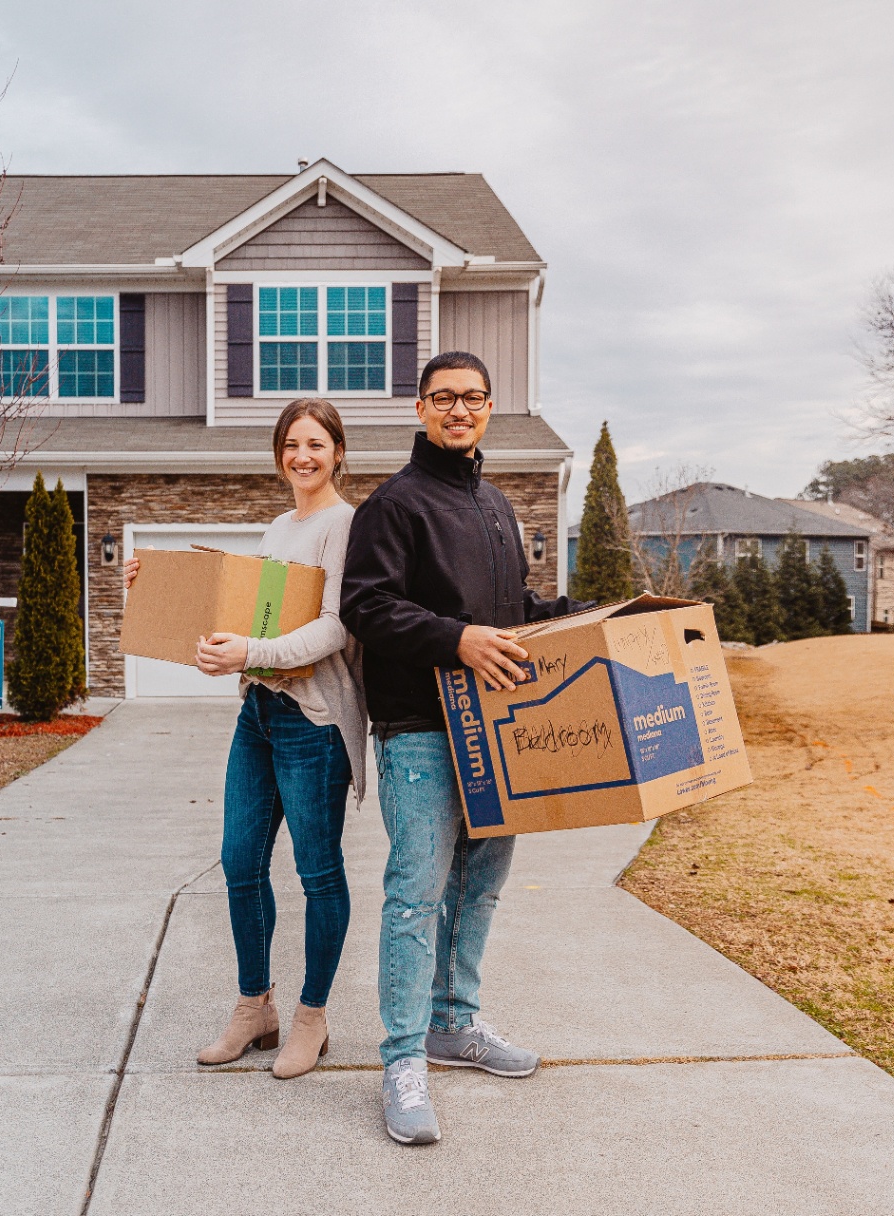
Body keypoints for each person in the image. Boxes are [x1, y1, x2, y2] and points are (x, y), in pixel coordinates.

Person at [341, 351, 593, 1145]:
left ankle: (455, 1022)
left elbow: (511, 609)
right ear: (419, 407)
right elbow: (366, 607)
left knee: (481, 883)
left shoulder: (495, 505)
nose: (460, 409)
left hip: (498, 729)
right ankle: (403, 1058)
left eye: (474, 398)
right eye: (444, 397)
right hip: (420, 726)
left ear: (489, 409)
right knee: (417, 891)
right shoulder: (394, 506)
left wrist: (594, 616)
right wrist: (457, 639)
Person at [123, 398, 367, 1080]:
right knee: (239, 862)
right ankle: (254, 1007)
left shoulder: (347, 526)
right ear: (279, 453)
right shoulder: (277, 526)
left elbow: (333, 629)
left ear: (338, 452)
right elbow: (240, 608)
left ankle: (312, 1019)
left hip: (313, 722)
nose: (303, 455)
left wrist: (251, 648)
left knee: (318, 873)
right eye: (292, 443)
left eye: (316, 443)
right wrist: (160, 587)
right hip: (258, 714)